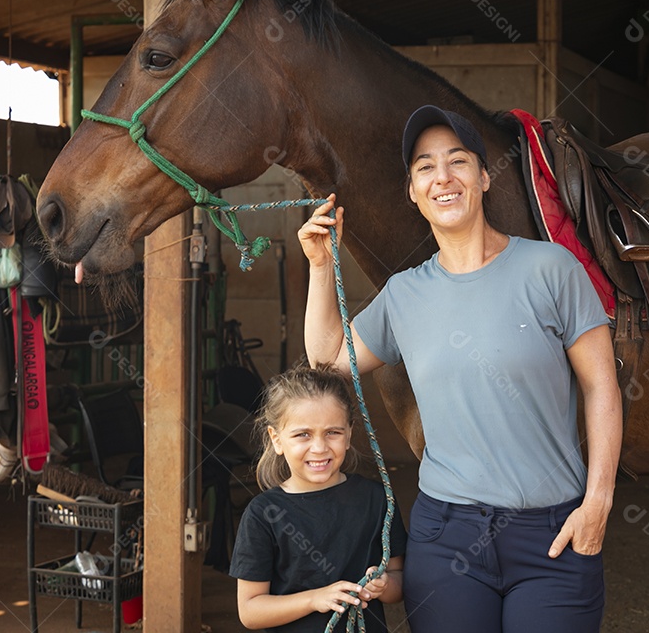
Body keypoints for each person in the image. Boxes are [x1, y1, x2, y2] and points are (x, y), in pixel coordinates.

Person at [298, 105, 623, 632]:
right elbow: (329, 364)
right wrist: (318, 267)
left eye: (458, 161)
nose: (442, 177)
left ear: (484, 177)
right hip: (446, 535)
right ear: (412, 189)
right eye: (425, 167)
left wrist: (598, 503)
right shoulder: (404, 294)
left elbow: (601, 386)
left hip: (552, 531)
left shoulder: (551, 270)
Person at [230, 365, 407, 632]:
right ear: (276, 439)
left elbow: (398, 581)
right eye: (303, 434)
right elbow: (250, 610)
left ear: (348, 434)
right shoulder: (263, 514)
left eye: (332, 432)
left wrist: (384, 585)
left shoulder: (376, 498)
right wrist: (314, 599)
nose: (319, 447)